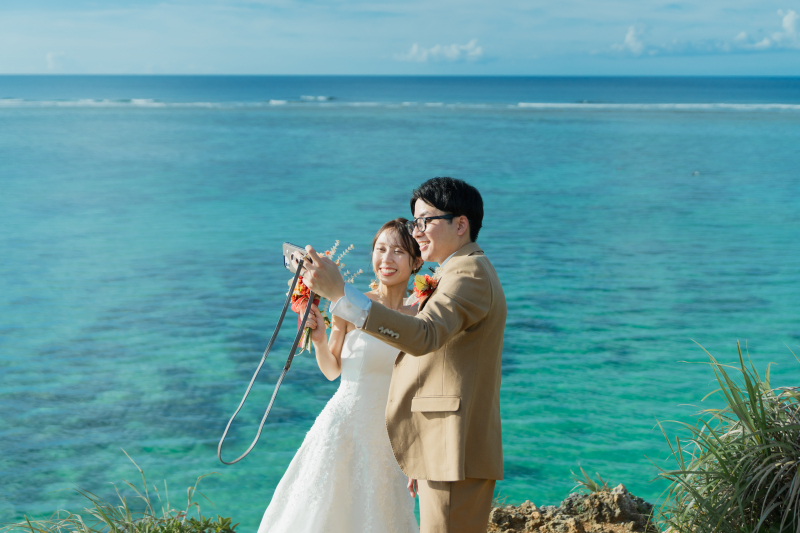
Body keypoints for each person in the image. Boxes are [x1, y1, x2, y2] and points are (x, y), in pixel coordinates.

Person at [296, 177, 507, 533]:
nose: (418, 230)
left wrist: (341, 297)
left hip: (452, 448)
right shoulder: (454, 273)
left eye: (425, 220)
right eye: (415, 222)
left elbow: (424, 336)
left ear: (460, 224)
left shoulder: (467, 273)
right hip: (438, 447)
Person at [257, 218, 423, 533]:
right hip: (341, 427)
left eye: (398, 251)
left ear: (417, 261)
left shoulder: (422, 317)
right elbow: (332, 370)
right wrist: (319, 339)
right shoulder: (349, 304)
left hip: (389, 439)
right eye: (380, 249)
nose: (386, 259)